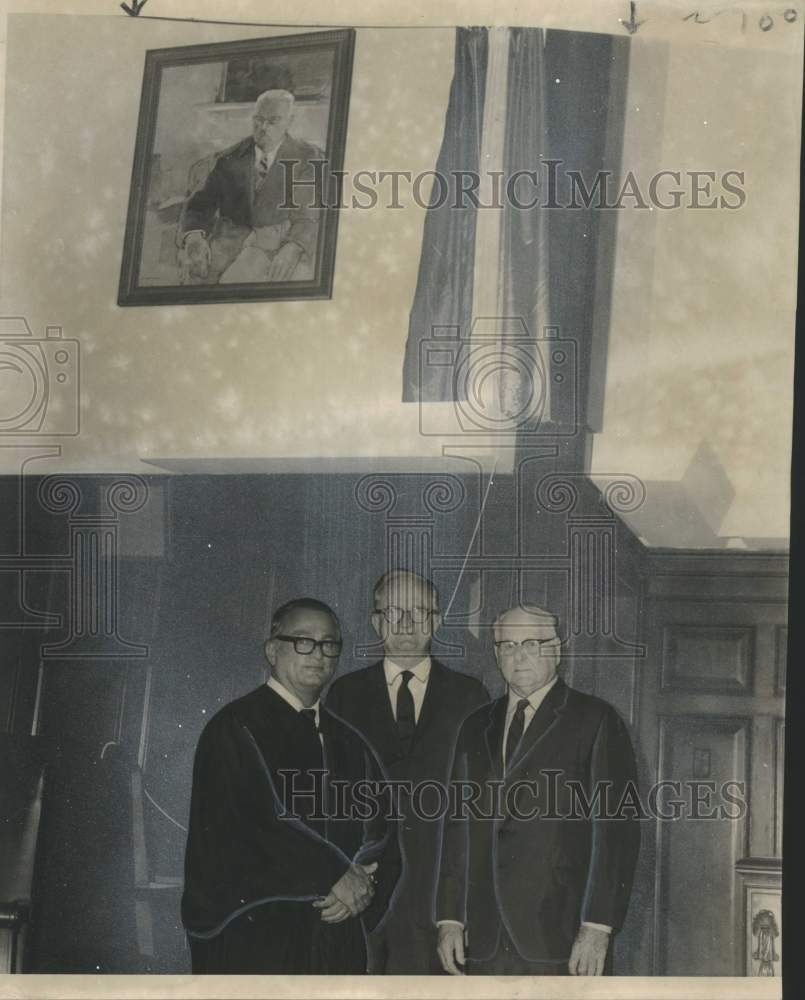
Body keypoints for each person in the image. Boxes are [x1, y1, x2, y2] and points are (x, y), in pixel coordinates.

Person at [181, 598, 400, 974]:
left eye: (329, 644)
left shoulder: (348, 741)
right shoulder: (235, 726)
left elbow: (382, 831)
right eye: (303, 641)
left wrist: (360, 889)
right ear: (272, 650)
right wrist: (336, 875)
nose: (318, 653)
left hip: (335, 935)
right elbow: (253, 821)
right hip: (257, 932)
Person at [435, 604, 640, 976]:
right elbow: (457, 825)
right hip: (481, 937)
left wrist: (597, 926)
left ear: (557, 649)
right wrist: (450, 917)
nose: (519, 655)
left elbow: (616, 833)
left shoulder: (595, 720)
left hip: (561, 933)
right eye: (508, 645)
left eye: (532, 643)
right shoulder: (475, 724)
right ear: (496, 654)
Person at [325, 570, 489, 973]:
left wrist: (460, 908)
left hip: (439, 897)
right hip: (361, 891)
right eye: (393, 613)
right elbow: (327, 798)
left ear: (436, 620)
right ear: (375, 621)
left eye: (418, 613)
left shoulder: (471, 696)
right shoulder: (344, 695)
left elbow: (480, 808)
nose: (405, 625)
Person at [177, 89, 323, 284]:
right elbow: (199, 204)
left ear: (290, 121)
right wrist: (193, 236)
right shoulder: (229, 158)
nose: (263, 127)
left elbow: (308, 214)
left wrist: (294, 246)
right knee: (193, 280)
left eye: (273, 121)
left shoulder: (307, 157)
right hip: (230, 241)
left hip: (276, 244)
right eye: (258, 119)